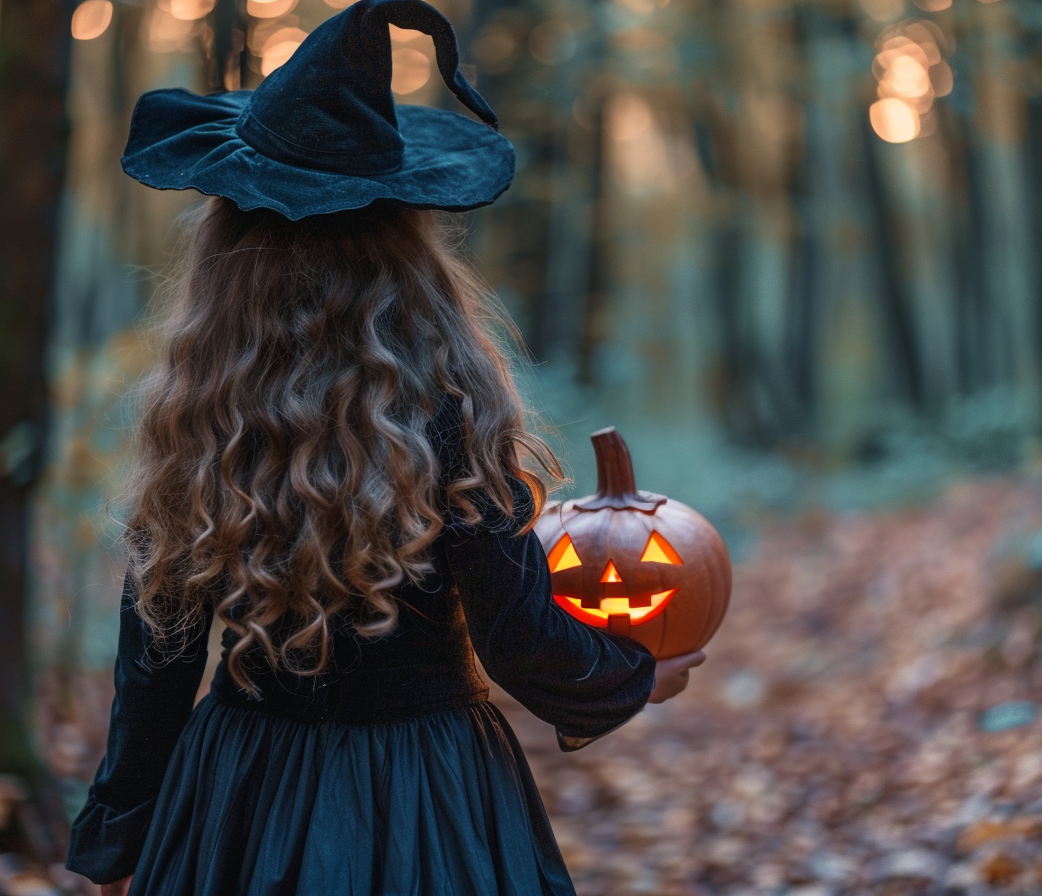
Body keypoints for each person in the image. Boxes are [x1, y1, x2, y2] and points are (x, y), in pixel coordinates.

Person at [63, 1, 706, 894]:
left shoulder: (202, 418)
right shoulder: (448, 403)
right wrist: (634, 677)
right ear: (406, 245)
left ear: (227, 249)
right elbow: (516, 635)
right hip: (427, 792)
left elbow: (156, 666)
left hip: (240, 795)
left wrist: (121, 841)